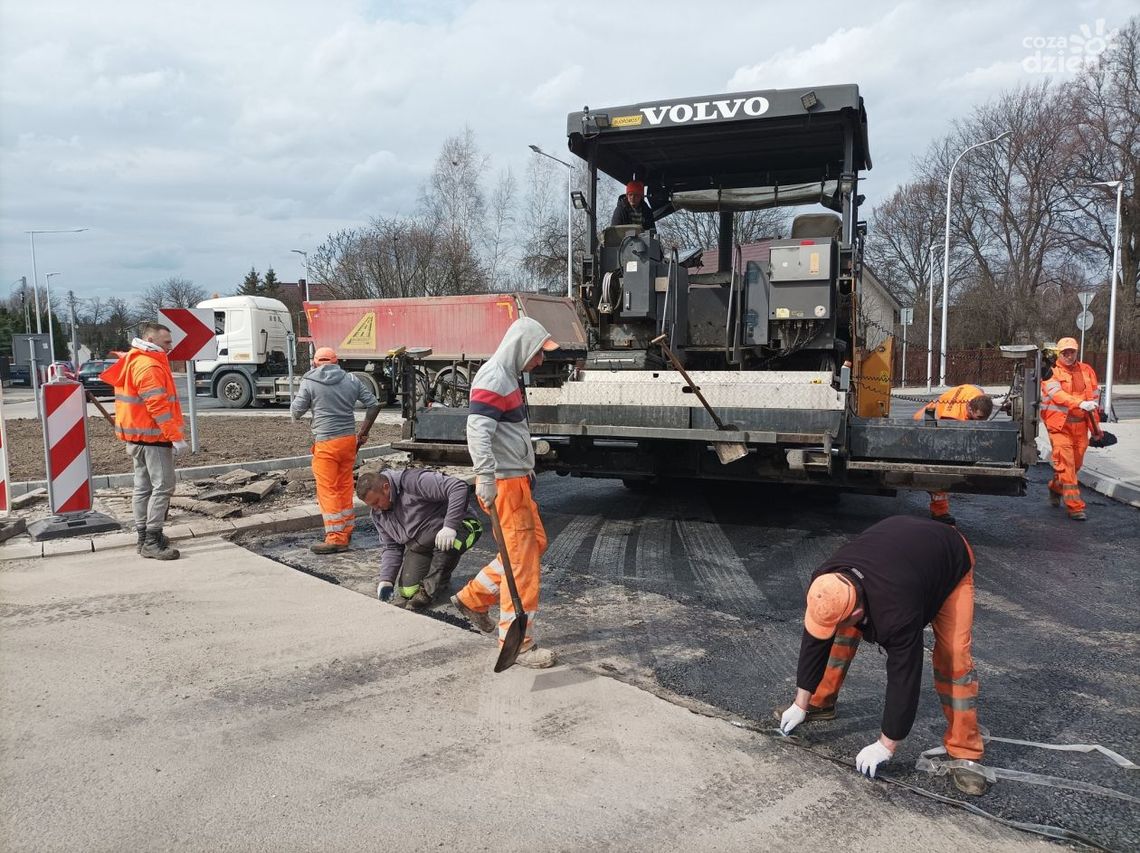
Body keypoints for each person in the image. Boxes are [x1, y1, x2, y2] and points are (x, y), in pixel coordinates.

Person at [777, 515, 988, 796]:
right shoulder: (825, 582)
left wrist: (886, 745)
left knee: (953, 659)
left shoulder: (897, 614)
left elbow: (905, 677)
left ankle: (965, 750)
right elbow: (815, 639)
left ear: (856, 612)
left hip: (948, 556)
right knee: (837, 631)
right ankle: (819, 702)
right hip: (897, 546)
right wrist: (800, 702)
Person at [450, 316, 561, 669]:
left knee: (532, 546)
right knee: (523, 564)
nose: (541, 360)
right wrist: (485, 476)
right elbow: (477, 431)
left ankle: (473, 598)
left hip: (515, 481)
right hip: (505, 485)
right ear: (522, 348)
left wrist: (525, 450)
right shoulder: (495, 377)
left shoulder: (508, 377)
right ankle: (519, 645)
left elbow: (500, 430)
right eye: (539, 353)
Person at [100, 321, 187, 561]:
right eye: (166, 341)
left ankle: (143, 538)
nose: (170, 346)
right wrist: (175, 437)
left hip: (137, 437)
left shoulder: (133, 360)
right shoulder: (149, 365)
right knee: (164, 487)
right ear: (151, 340)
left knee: (143, 488)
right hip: (153, 438)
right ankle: (151, 539)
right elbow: (158, 407)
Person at [291, 347, 381, 553]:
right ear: (336, 361)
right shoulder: (351, 379)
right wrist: (363, 433)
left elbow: (297, 410)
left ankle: (335, 538)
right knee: (344, 486)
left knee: (328, 490)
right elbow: (374, 405)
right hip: (349, 441)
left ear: (315, 363)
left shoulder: (310, 381)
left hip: (326, 443)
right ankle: (346, 529)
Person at [356, 469, 482, 610]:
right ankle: (441, 578)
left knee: (448, 545)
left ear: (386, 488)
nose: (375, 508)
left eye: (376, 502)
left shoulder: (412, 481)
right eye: (371, 505)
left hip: (460, 527)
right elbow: (392, 547)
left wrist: (450, 526)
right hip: (422, 543)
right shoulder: (378, 514)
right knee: (408, 590)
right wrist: (386, 580)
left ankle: (428, 592)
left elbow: (458, 487)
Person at [913, 385, 994, 524]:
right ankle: (940, 513)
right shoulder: (952, 416)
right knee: (941, 470)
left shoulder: (977, 395)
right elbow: (948, 442)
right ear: (969, 408)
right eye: (978, 418)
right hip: (924, 427)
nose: (981, 423)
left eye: (984, 419)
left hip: (934, 421)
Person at [1040, 337, 1099, 521]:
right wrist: (1080, 403)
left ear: (1076, 352)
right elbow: (1057, 395)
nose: (1068, 355)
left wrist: (1096, 429)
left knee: (1076, 465)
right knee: (1067, 465)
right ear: (1059, 353)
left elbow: (1093, 401)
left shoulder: (1087, 370)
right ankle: (1075, 507)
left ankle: (1055, 487)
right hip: (1059, 426)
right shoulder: (1051, 372)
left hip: (1081, 426)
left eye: (1071, 351)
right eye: (1064, 352)